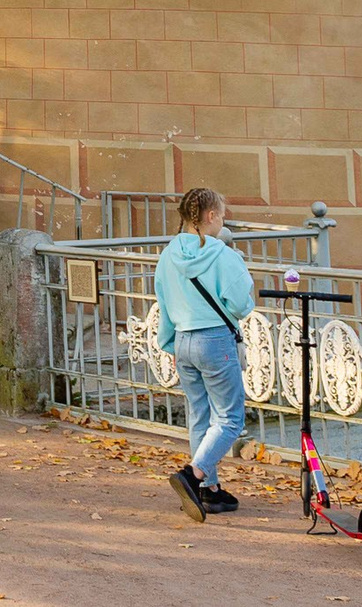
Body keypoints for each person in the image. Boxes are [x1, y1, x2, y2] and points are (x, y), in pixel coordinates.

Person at [155, 186, 253, 520]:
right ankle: (193, 475)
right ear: (210, 216)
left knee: (199, 415)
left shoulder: (168, 254)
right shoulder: (222, 255)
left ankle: (209, 491)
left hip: (183, 340)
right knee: (229, 419)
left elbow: (164, 302)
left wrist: (170, 344)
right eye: (222, 216)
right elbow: (240, 304)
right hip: (215, 341)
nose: (223, 221)